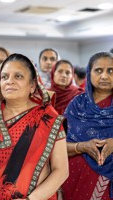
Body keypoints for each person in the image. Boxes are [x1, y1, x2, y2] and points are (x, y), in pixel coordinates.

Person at [0, 53, 69, 200]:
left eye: (18, 76)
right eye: (4, 77)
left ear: (32, 85)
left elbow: (61, 170)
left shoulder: (48, 118)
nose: (9, 81)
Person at [62, 52, 113, 200]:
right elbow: (57, 146)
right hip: (72, 180)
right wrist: (82, 146)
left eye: (110, 70)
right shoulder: (76, 105)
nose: (104, 76)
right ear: (89, 73)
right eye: (98, 70)